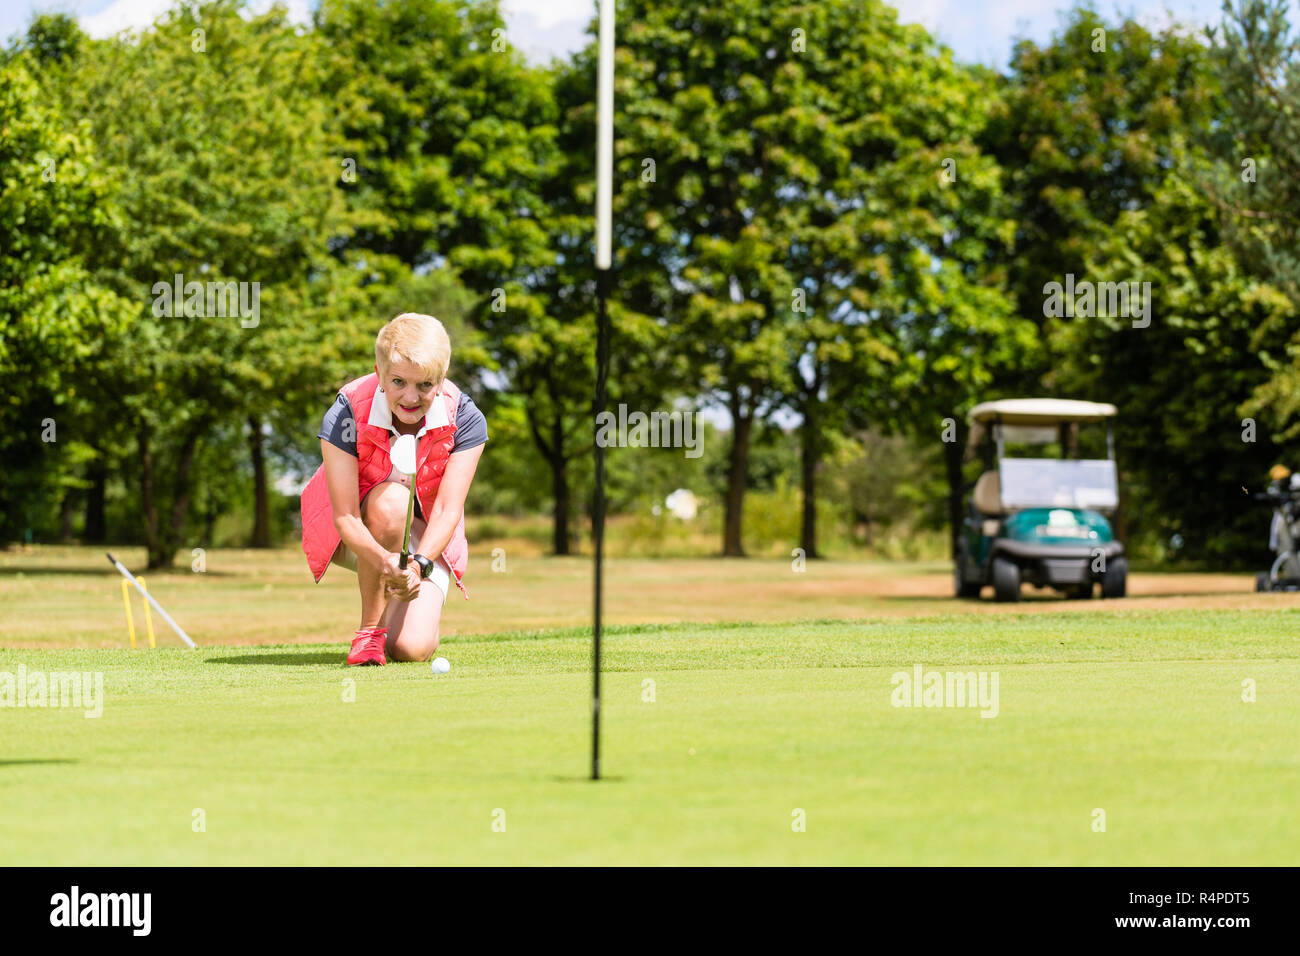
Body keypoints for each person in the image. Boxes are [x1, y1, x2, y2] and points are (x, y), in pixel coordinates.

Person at [299, 313, 487, 665]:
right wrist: (385, 561)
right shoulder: (346, 412)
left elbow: (448, 510)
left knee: (410, 649)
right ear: (380, 373)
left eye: (425, 385)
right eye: (398, 381)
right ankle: (369, 632)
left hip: (425, 541)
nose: (410, 397)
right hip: (357, 534)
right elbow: (346, 516)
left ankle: (394, 628)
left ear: (441, 379)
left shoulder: (466, 418)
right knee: (393, 502)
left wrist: (416, 566)